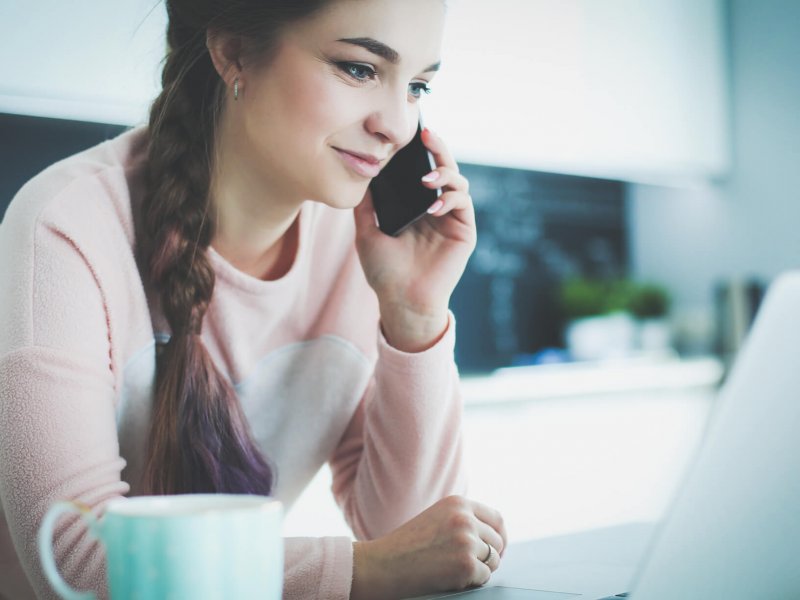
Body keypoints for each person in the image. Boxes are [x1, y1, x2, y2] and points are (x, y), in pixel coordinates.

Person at [0, 0, 508, 598]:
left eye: (418, 85)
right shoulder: (67, 225)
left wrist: (415, 317)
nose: (397, 125)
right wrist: (363, 570)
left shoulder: (365, 247)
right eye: (360, 68)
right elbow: (76, 562)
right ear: (233, 52)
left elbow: (412, 543)